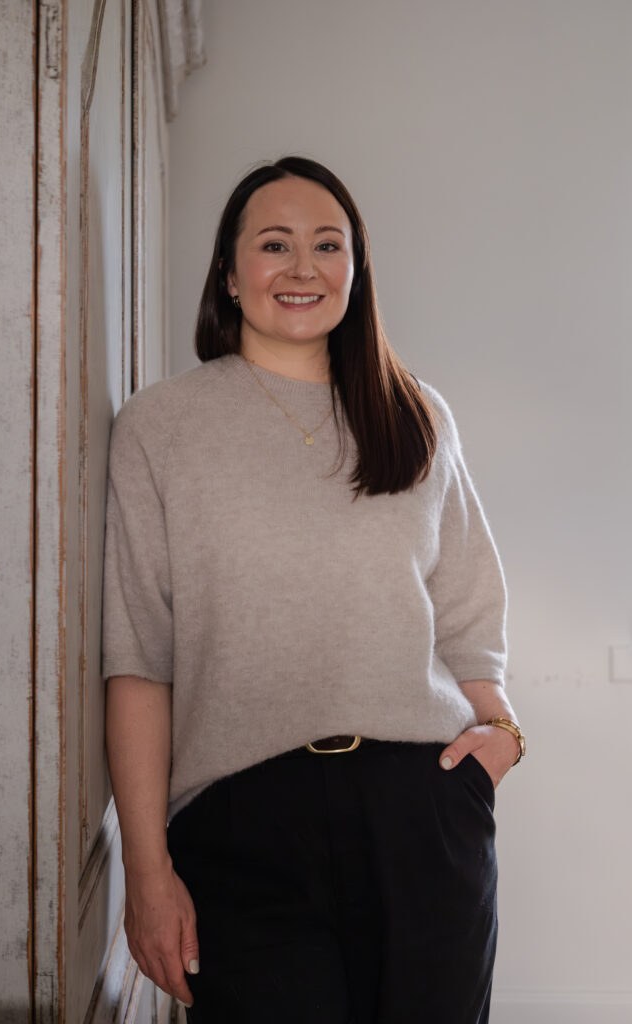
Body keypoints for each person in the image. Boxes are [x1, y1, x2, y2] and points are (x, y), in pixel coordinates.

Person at [102, 156, 525, 1023]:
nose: (303, 267)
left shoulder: (417, 417)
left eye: (328, 245)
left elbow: (469, 615)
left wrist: (502, 739)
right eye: (275, 244)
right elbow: (139, 657)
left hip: (424, 814)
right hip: (242, 826)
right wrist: (147, 871)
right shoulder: (161, 427)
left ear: (356, 270)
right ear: (229, 272)